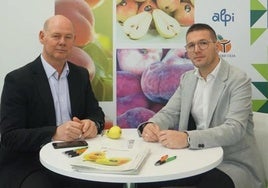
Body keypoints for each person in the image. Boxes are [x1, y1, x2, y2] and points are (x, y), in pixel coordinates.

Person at [136, 23, 266, 188]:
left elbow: (235, 128)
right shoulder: (187, 79)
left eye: (203, 43)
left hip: (230, 163)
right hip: (193, 159)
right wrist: (151, 125)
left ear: (217, 46)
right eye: (191, 45)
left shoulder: (238, 80)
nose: (196, 49)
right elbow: (169, 113)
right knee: (148, 182)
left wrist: (188, 138)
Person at [0, 15, 123, 188]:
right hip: (32, 163)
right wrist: (55, 133)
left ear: (74, 40)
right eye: (56, 36)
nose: (62, 42)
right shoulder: (18, 80)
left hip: (77, 158)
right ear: (42, 37)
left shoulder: (80, 75)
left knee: (113, 183)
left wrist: (93, 123)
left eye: (68, 37)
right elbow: (9, 136)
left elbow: (96, 113)